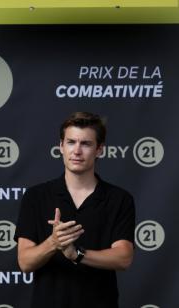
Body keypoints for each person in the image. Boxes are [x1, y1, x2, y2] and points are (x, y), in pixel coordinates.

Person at [14, 112, 135, 308]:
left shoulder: (119, 199)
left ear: (99, 150)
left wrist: (76, 254)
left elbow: (123, 258)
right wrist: (54, 242)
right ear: (61, 146)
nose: (77, 151)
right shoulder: (36, 196)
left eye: (86, 144)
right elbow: (25, 262)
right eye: (71, 142)